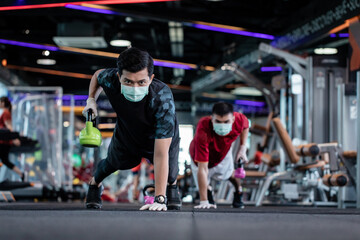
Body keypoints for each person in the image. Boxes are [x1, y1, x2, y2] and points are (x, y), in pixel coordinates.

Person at [82, 47, 181, 211]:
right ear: (118, 76)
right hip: (128, 132)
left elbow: (161, 153)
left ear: (151, 78)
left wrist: (159, 198)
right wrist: (91, 99)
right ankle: (94, 185)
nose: (135, 87)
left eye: (141, 82)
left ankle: (172, 187)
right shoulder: (110, 79)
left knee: (170, 173)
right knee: (112, 163)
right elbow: (97, 75)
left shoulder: (162, 98)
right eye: (128, 81)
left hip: (159, 136)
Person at [189, 102, 249, 209]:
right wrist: (203, 201)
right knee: (203, 183)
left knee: (231, 175)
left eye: (226, 122)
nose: (222, 125)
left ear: (233, 119)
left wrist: (242, 147)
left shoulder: (240, 119)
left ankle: (238, 191)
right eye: (218, 121)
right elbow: (202, 169)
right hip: (198, 155)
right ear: (212, 119)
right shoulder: (204, 127)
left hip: (223, 152)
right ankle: (208, 193)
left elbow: (246, 126)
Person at [0, 96, 24, 181]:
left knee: (5, 160)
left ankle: (21, 173)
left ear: (3, 103)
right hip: (4, 141)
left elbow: (9, 127)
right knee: (5, 160)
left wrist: (13, 138)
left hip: (3, 141)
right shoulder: (5, 112)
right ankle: (21, 173)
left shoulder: (5, 113)